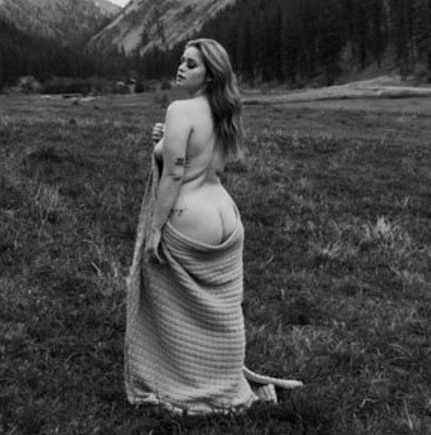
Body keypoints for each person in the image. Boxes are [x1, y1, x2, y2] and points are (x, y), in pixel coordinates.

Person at [124, 37, 300, 415]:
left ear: (209, 75)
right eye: (182, 60)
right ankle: (224, 377)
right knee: (223, 309)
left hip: (190, 218)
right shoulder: (223, 111)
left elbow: (174, 174)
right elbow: (201, 158)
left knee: (168, 303)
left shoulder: (180, 109)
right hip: (225, 216)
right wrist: (163, 140)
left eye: (192, 64)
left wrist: (155, 229)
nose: (181, 67)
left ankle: (188, 380)